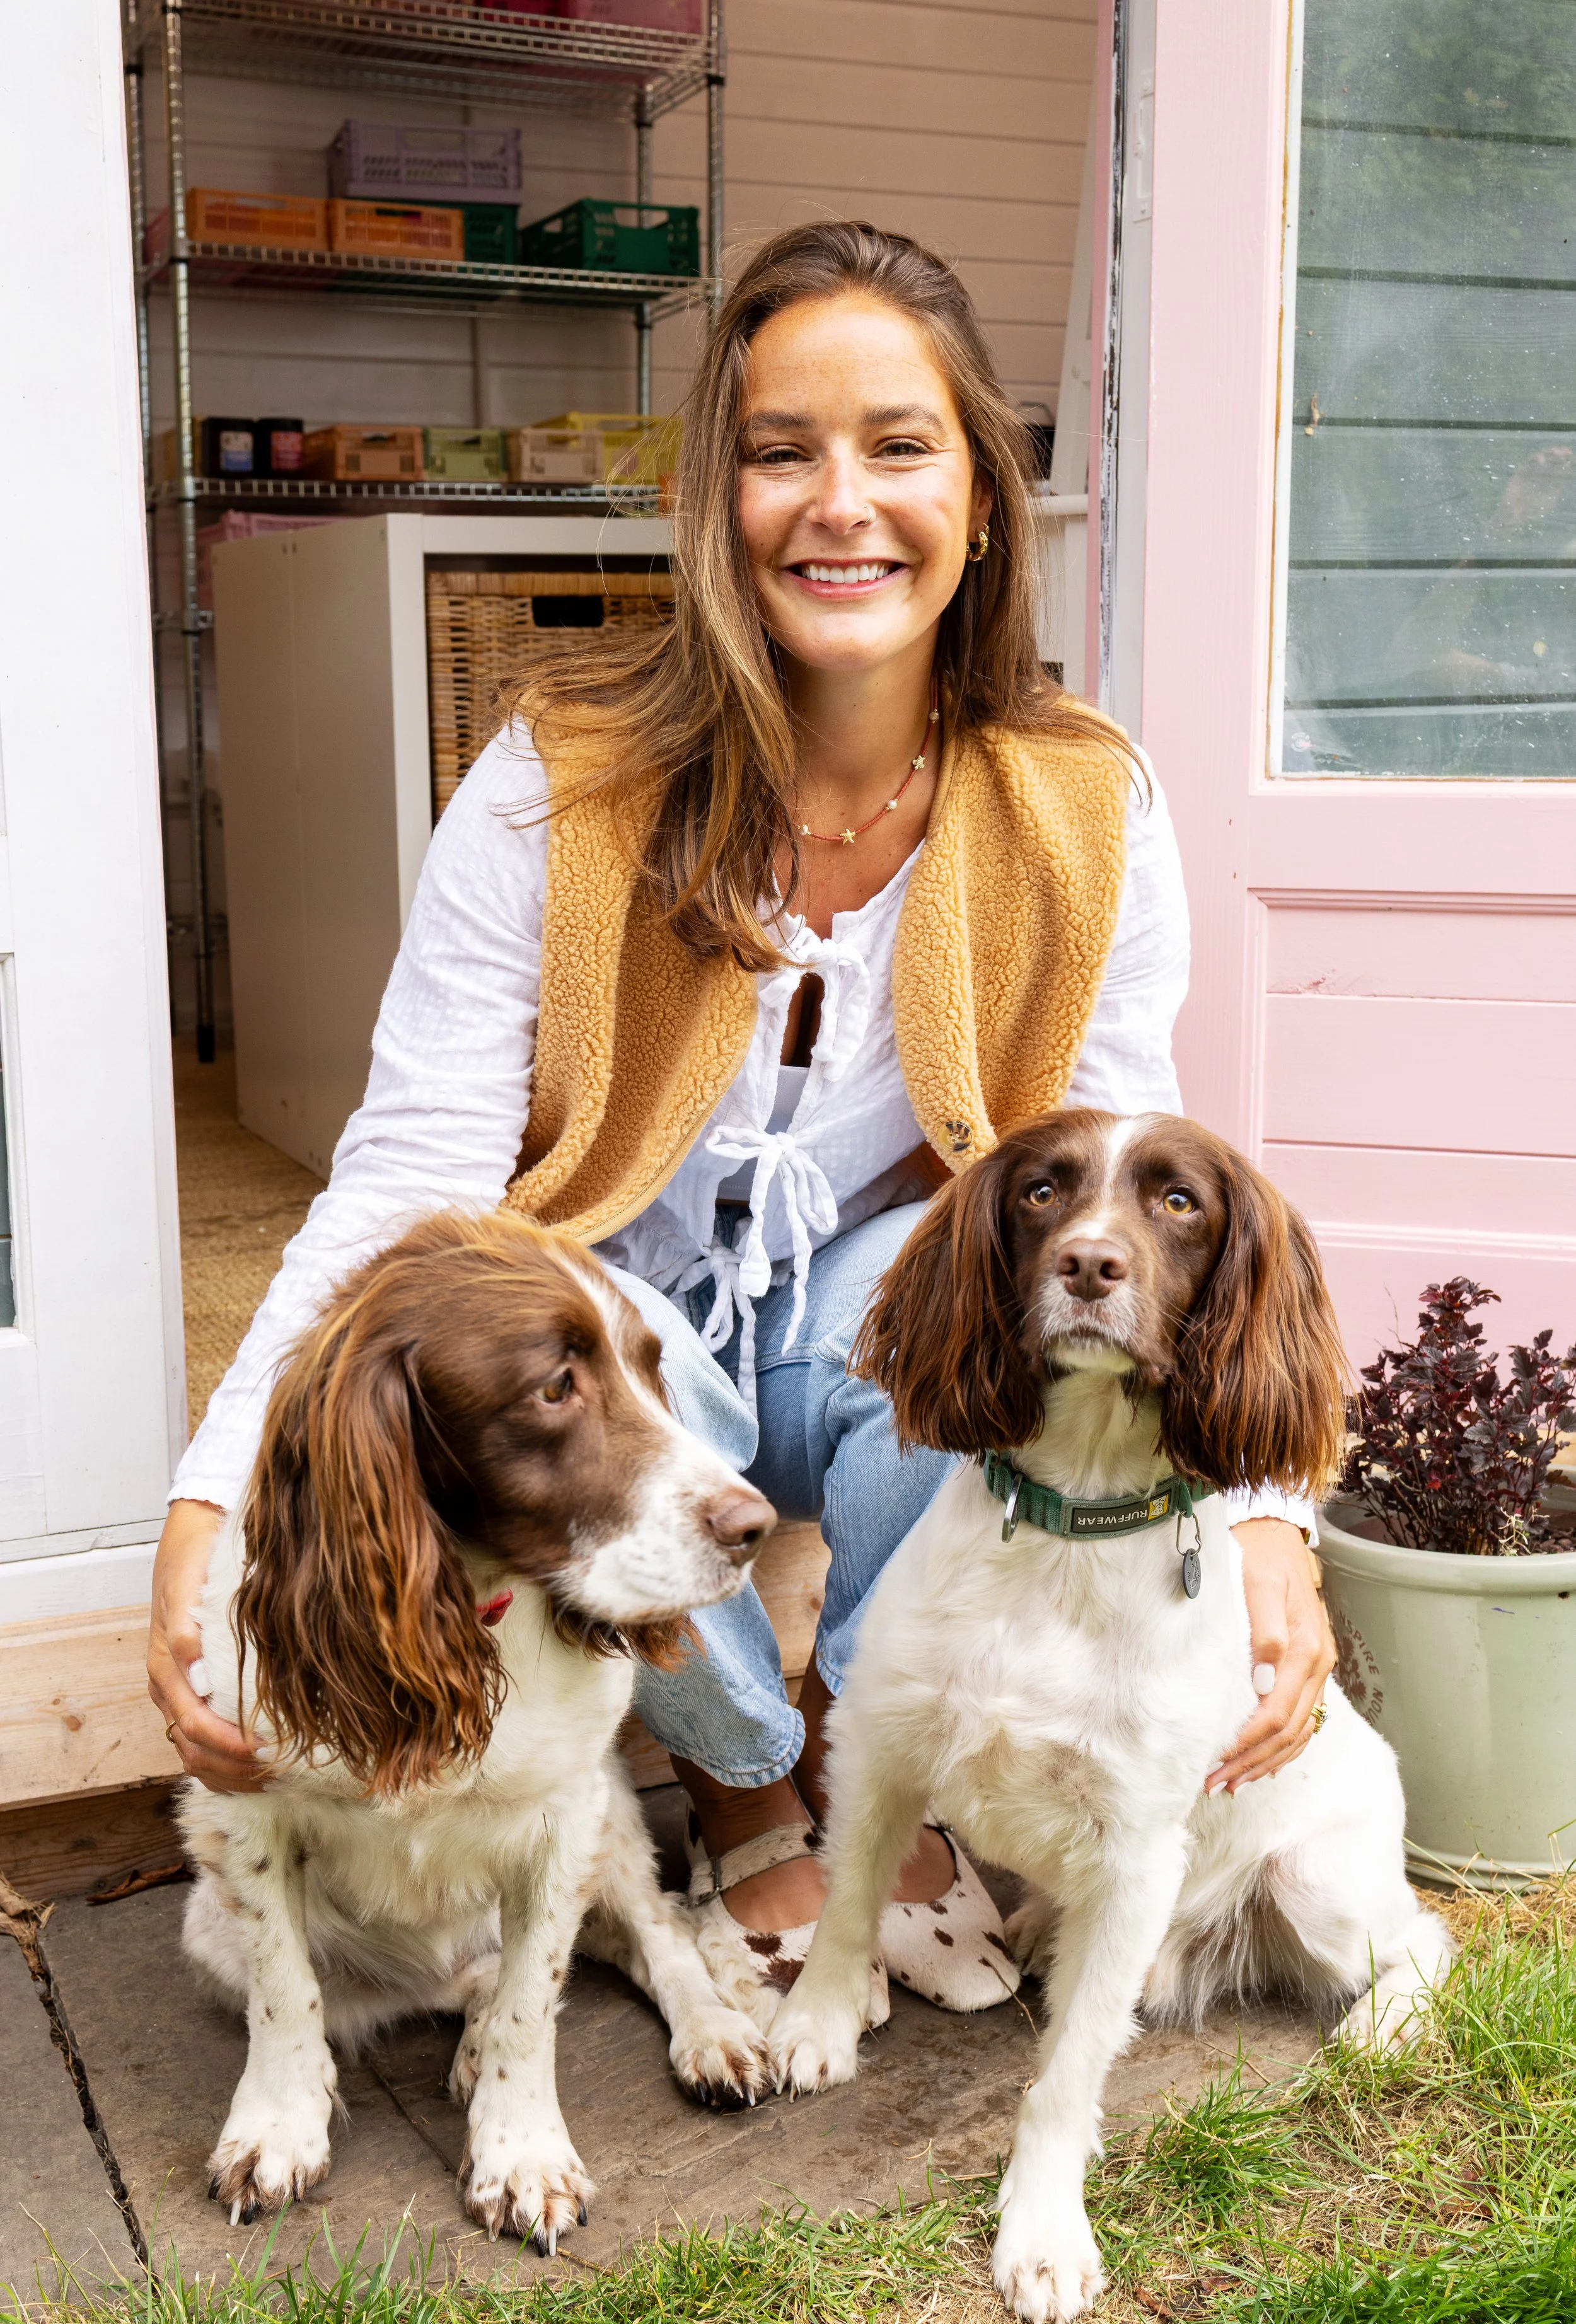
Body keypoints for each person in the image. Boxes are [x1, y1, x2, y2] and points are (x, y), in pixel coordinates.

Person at [148, 221, 1333, 2015]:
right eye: (782, 451)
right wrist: (211, 1494)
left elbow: (1138, 1161)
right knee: (570, 1379)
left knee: (994, 1308)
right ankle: (740, 1785)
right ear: (718, 495)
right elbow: (406, 1183)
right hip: (616, 1315)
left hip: (865, 1316)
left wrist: (1260, 1521)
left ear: (984, 500)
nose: (837, 504)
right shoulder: (559, 778)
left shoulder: (1089, 802)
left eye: (898, 447)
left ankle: (881, 1764)